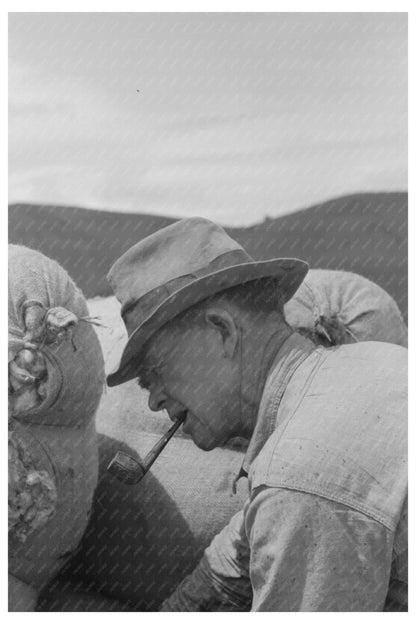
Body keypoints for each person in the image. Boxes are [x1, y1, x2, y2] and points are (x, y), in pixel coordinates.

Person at [106, 217, 407, 612]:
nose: (153, 402)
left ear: (221, 330)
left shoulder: (299, 476)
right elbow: (235, 556)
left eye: (155, 373)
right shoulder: (376, 361)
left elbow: (301, 494)